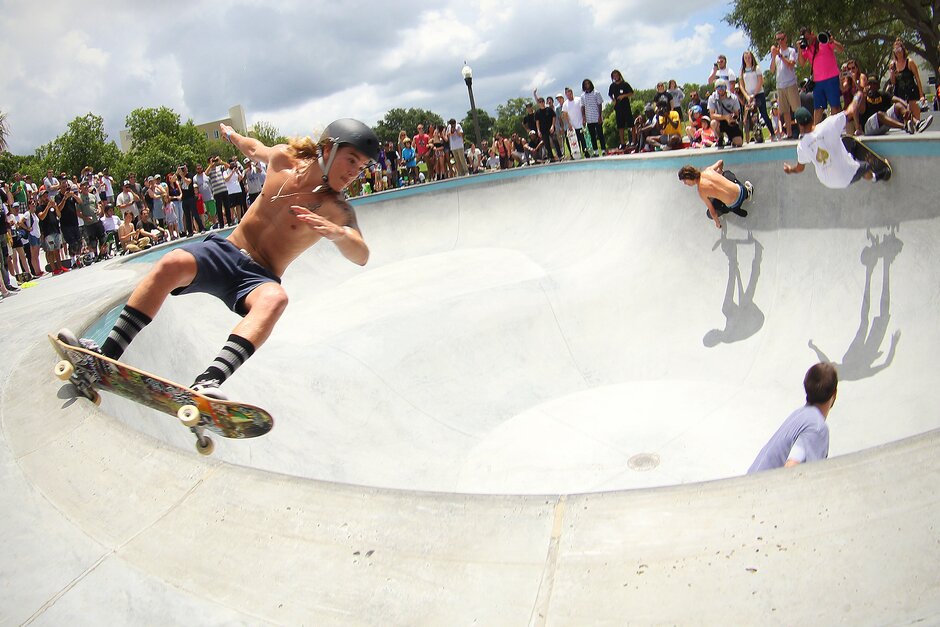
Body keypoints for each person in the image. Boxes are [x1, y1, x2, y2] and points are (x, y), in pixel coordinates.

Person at [61, 119, 379, 397]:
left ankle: (207, 382)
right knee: (171, 263)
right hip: (223, 252)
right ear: (327, 148)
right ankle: (105, 358)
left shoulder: (336, 208)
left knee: (276, 299)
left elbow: (361, 252)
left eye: (361, 167)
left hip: (258, 278)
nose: (354, 173)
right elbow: (254, 148)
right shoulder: (284, 158)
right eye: (351, 160)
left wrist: (338, 235)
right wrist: (230, 135)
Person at [748, 363, 838, 473]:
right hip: (764, 488)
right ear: (835, 393)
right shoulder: (816, 428)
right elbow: (791, 466)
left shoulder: (800, 415)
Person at [783, 104, 889, 187]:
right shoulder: (828, 124)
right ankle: (875, 177)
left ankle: (850, 156)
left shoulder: (802, 146)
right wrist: (858, 95)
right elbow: (851, 110)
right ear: (812, 118)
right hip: (846, 177)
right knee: (866, 166)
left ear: (800, 125)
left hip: (827, 181)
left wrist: (789, 169)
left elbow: (799, 168)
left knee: (846, 142)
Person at [677, 160, 753, 229]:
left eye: (685, 181)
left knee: (709, 213)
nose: (685, 183)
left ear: (689, 177)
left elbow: (712, 212)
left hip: (734, 204)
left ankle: (735, 210)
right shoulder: (708, 170)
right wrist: (720, 171)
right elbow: (720, 162)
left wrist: (717, 223)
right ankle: (747, 193)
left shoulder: (701, 191)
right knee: (726, 173)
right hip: (741, 190)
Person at [798, 27, 845, 124]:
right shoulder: (807, 48)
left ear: (812, 34)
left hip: (831, 78)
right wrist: (799, 48)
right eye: (805, 39)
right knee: (818, 108)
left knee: (835, 106)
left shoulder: (823, 41)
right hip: (818, 82)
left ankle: (834, 129)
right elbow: (802, 63)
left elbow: (841, 49)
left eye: (808, 38)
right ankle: (815, 132)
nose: (807, 41)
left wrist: (833, 41)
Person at [888, 38, 926, 121]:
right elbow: (893, 82)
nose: (898, 51)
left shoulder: (910, 62)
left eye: (899, 49)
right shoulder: (892, 64)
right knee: (905, 119)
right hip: (900, 94)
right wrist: (892, 73)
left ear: (903, 49)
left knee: (916, 117)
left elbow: (917, 78)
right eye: (896, 49)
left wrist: (921, 95)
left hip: (912, 92)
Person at [739, 50, 774, 141]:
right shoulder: (742, 70)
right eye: (746, 58)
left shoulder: (756, 68)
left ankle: (773, 133)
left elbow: (760, 81)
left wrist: (754, 94)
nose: (748, 59)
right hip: (748, 96)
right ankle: (756, 136)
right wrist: (747, 96)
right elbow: (741, 85)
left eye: (749, 57)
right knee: (751, 117)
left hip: (758, 94)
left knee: (764, 114)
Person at [707, 79, 743, 148]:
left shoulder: (733, 97)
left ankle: (731, 139)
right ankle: (720, 138)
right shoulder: (712, 98)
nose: (720, 89)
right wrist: (725, 117)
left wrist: (733, 117)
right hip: (719, 121)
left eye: (722, 87)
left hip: (730, 122)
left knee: (739, 143)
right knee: (713, 123)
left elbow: (737, 113)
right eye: (718, 87)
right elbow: (712, 115)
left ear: (726, 88)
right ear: (715, 88)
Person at [608, 70, 634, 150]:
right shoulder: (612, 86)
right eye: (614, 76)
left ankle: (633, 141)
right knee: (620, 126)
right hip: (618, 108)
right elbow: (610, 94)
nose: (615, 77)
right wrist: (613, 100)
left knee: (631, 124)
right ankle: (622, 143)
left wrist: (624, 96)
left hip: (626, 107)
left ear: (619, 75)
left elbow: (632, 93)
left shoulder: (625, 84)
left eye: (616, 75)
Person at [581, 78, 605, 155]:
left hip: (596, 117)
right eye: (585, 84)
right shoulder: (583, 96)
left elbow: (599, 104)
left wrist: (600, 116)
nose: (587, 85)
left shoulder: (596, 93)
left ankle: (603, 150)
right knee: (592, 135)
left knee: (600, 134)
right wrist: (584, 118)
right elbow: (583, 107)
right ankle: (596, 151)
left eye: (588, 83)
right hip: (589, 118)